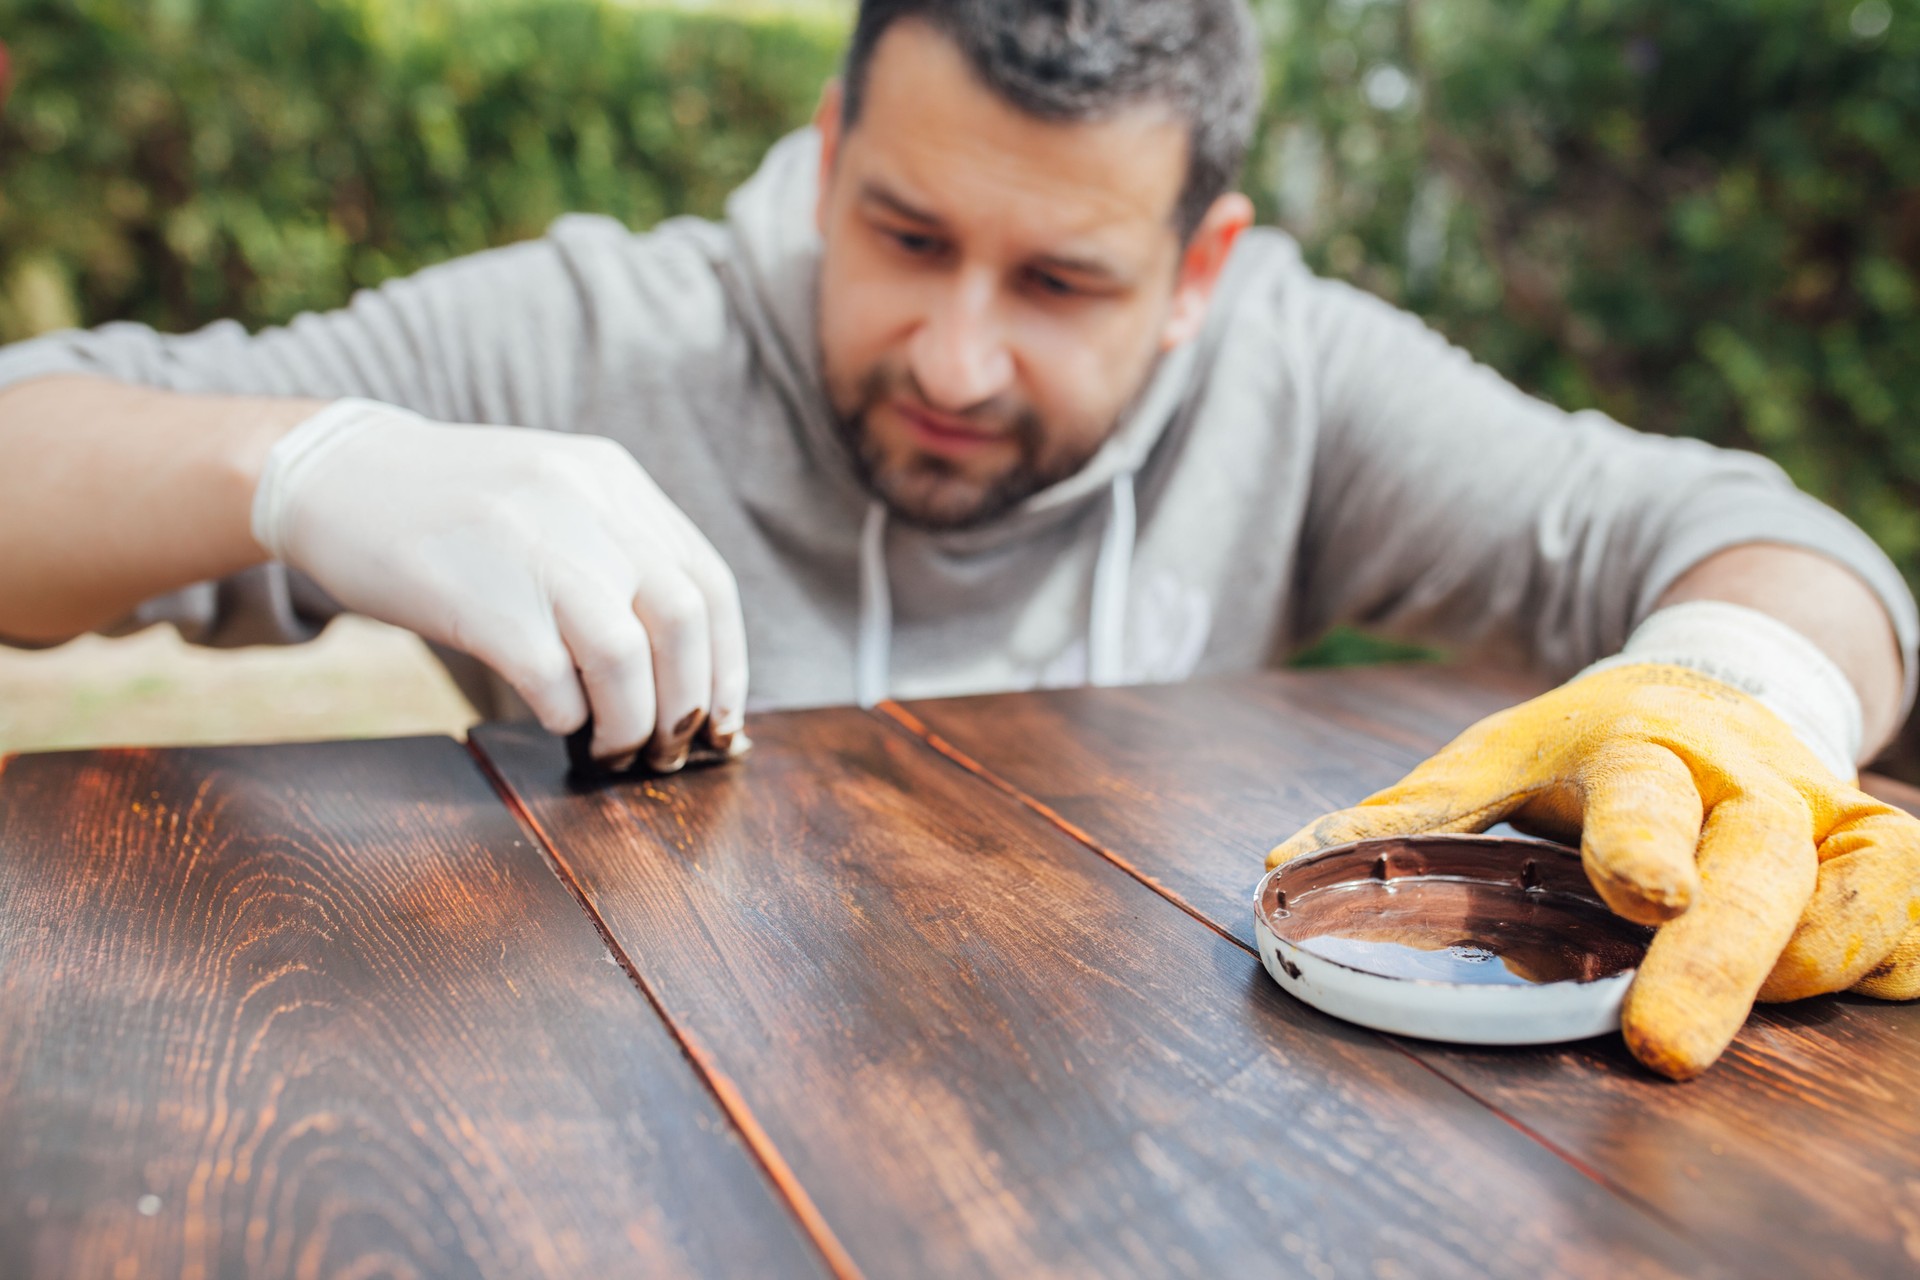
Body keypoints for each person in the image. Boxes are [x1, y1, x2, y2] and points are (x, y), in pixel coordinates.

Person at [0, 0, 1913, 1079]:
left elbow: (1761, 537)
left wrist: (1736, 691)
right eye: (905, 235)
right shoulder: (590, 337)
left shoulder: (1303, 380)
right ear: (830, 161)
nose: (956, 353)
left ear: (1196, 274)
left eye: (1066, 278)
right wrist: (313, 462)